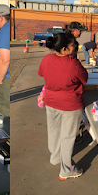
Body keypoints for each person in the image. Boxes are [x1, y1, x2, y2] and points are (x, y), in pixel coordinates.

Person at [38, 32, 88, 181]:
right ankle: (66, 170)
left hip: (51, 101)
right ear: (65, 49)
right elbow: (84, 79)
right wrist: (75, 60)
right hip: (70, 104)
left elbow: (41, 73)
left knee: (54, 131)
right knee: (68, 136)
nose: (76, 46)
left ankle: (55, 157)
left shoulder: (47, 59)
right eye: (73, 45)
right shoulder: (73, 63)